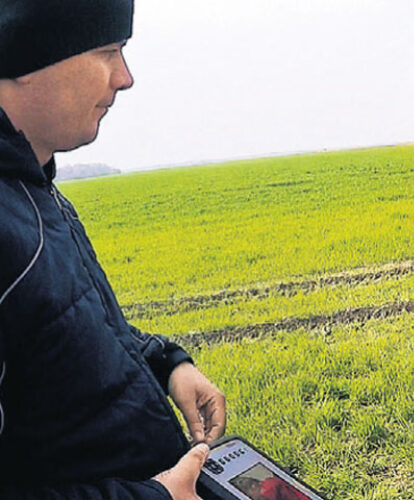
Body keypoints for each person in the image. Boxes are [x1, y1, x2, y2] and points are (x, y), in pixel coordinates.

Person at [0, 1, 226, 498]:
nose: (124, 78)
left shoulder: (33, 190)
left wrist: (166, 365)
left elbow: (64, 329)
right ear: (25, 56)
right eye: (107, 51)